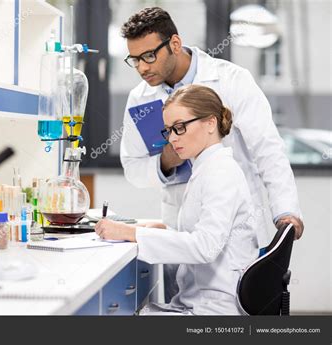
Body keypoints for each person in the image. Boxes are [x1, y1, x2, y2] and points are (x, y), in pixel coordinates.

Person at [118, 7, 303, 301]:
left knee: (222, 299)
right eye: (134, 60)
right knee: (183, 299)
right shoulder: (141, 100)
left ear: (174, 44)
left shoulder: (230, 79)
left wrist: (285, 211)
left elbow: (267, 148)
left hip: (229, 225)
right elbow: (132, 167)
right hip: (178, 223)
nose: (142, 68)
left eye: (149, 56)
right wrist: (167, 160)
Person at [96, 85, 259, 315]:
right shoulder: (205, 167)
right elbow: (202, 231)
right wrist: (163, 228)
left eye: (179, 128)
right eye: (168, 130)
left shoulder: (220, 173)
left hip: (216, 308)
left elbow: (205, 247)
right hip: (199, 301)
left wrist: (130, 233)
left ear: (211, 123)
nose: (171, 139)